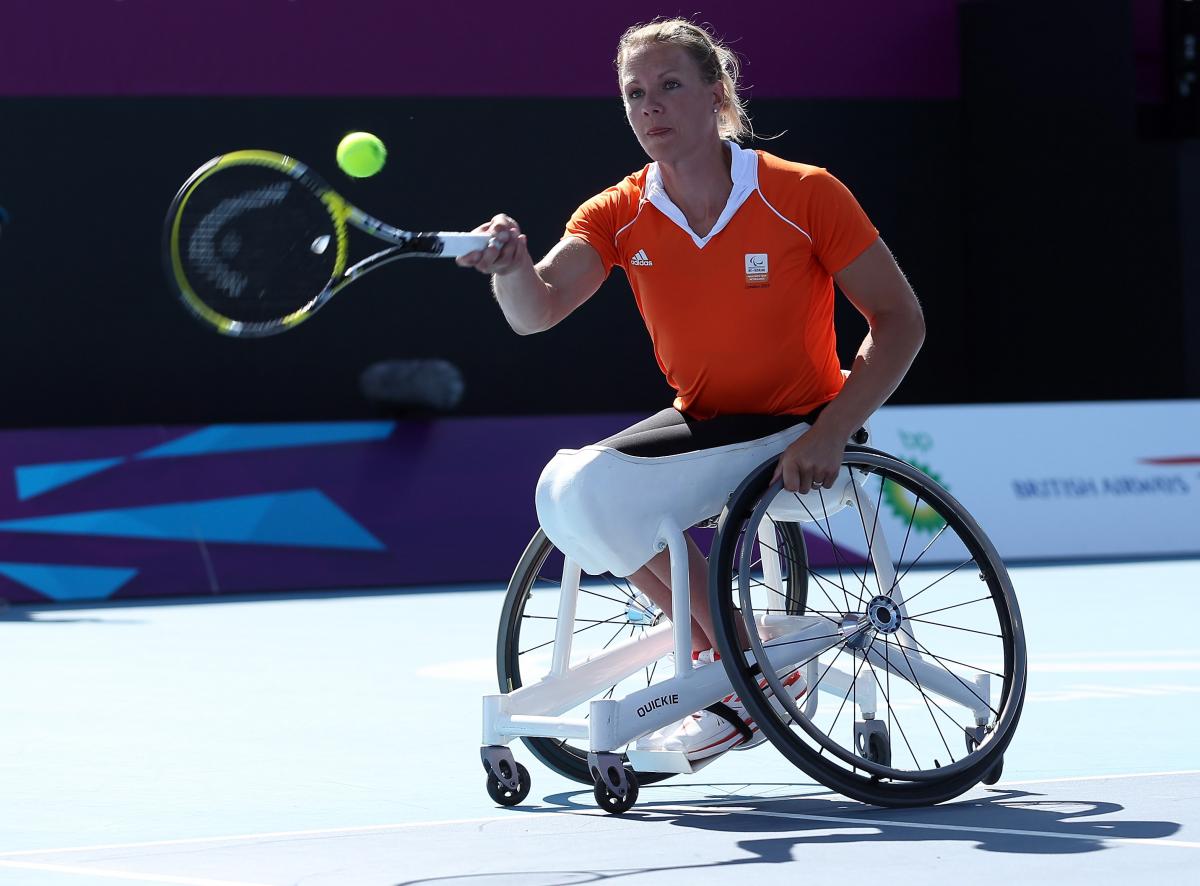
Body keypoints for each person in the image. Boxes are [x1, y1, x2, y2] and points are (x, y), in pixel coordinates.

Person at [458, 19, 925, 760]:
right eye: (634, 94)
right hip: (704, 425)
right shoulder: (616, 211)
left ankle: (739, 673)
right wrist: (511, 267)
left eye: (670, 86)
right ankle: (747, 663)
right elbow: (537, 310)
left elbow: (901, 321)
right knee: (565, 487)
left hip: (796, 426)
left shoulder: (803, 193)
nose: (651, 108)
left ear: (718, 93)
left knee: (590, 492)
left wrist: (833, 428)